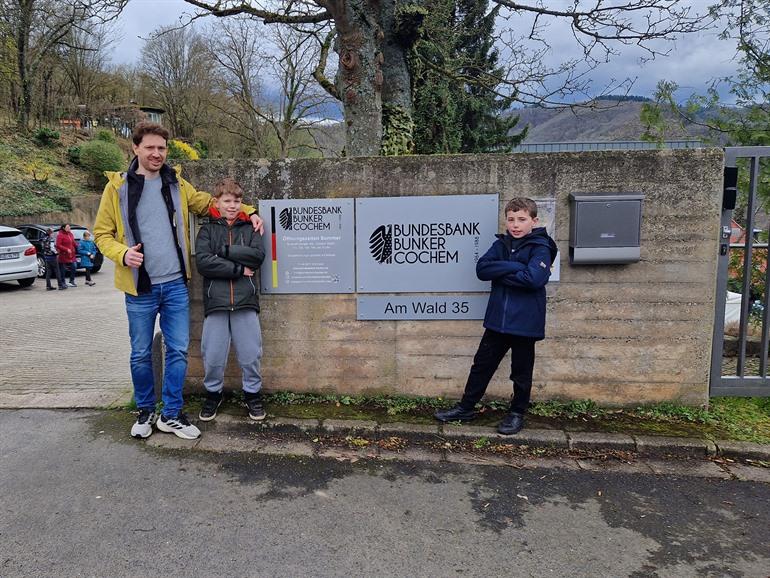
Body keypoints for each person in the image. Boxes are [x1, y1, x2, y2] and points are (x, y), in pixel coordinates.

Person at [93, 122, 263, 441]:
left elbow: (208, 203)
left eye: (162, 148)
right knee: (141, 353)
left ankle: (171, 414)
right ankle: (145, 411)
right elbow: (101, 233)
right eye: (150, 148)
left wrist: (249, 211)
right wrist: (122, 253)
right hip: (139, 287)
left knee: (179, 351)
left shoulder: (175, 183)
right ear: (136, 148)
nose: (157, 153)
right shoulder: (116, 188)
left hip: (175, 286)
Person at [434, 197, 558, 435]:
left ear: (534, 221)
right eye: (511, 219)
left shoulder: (541, 246)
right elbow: (482, 269)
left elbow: (534, 279)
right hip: (497, 320)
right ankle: (466, 408)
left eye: (521, 219)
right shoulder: (501, 244)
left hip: (525, 322)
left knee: (521, 372)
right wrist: (516, 267)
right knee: (481, 366)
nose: (515, 225)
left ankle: (516, 413)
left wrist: (501, 271)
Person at [195, 178, 266, 422]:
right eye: (227, 201)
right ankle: (213, 394)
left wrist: (223, 251)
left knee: (250, 353)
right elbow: (204, 263)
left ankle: (252, 394)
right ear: (217, 202)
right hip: (216, 302)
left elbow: (256, 257)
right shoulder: (207, 229)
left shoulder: (251, 228)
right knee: (213, 355)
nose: (233, 205)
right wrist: (237, 268)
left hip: (245, 299)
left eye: (237, 201)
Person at [55, 223, 77, 288]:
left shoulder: (70, 234)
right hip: (63, 255)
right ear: (63, 228)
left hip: (71, 254)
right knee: (63, 269)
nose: (69, 228)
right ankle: (63, 282)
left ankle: (71, 281)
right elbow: (58, 245)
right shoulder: (60, 235)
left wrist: (78, 246)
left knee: (74, 266)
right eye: (67, 227)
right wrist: (66, 249)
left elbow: (73, 242)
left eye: (69, 227)